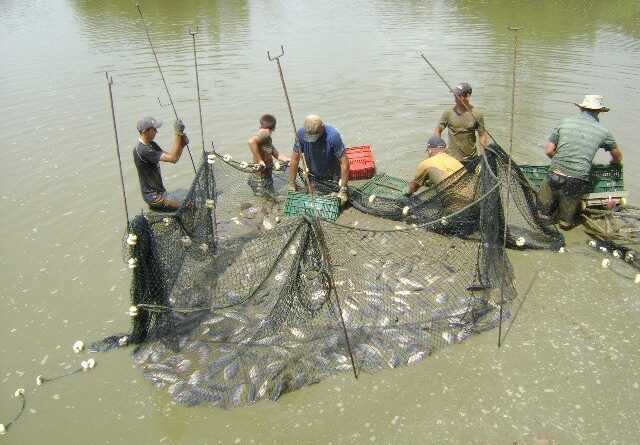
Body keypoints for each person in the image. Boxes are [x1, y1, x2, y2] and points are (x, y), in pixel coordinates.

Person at [538, 94, 622, 229]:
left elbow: (549, 150)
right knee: (565, 224)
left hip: (554, 172)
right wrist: (615, 163)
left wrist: (561, 161)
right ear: (599, 112)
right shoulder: (604, 132)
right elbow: (617, 156)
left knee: (541, 215)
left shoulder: (564, 123)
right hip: (577, 179)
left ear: (582, 109)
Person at [289, 115, 349, 205]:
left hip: (332, 174)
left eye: (315, 135)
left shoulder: (333, 136)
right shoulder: (301, 133)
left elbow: (345, 164)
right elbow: (295, 160)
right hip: (313, 173)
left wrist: (343, 189)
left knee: (334, 202)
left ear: (322, 127)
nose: (312, 139)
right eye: (310, 136)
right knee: (313, 201)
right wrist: (292, 184)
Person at [133, 116, 189, 211]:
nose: (156, 132)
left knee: (189, 199)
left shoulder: (152, 145)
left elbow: (173, 158)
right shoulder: (143, 150)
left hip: (160, 192)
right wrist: (178, 134)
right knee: (188, 205)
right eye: (154, 130)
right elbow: (173, 158)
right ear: (144, 132)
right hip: (154, 197)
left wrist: (181, 145)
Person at [434, 82, 487, 163]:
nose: (455, 98)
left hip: (471, 159)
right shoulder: (448, 113)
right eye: (455, 95)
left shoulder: (477, 114)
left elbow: (482, 135)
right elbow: (438, 131)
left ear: (467, 97)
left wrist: (484, 157)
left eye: (459, 96)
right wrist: (440, 150)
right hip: (452, 159)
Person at [246, 114, 290, 197]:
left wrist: (287, 159)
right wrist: (259, 160)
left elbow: (276, 153)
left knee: (267, 200)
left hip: (264, 177)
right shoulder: (265, 134)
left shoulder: (266, 138)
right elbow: (251, 141)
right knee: (266, 200)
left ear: (260, 126)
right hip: (260, 180)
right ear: (274, 128)